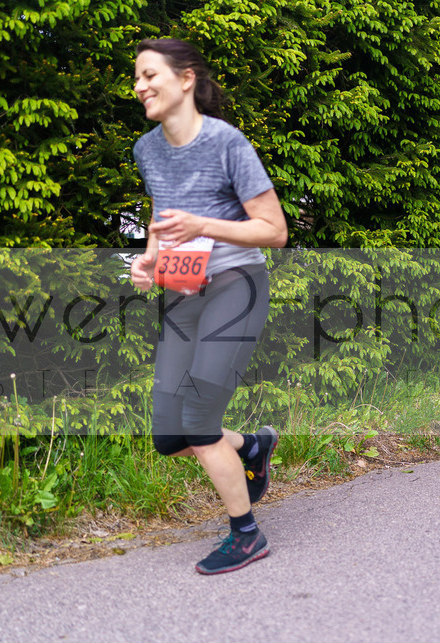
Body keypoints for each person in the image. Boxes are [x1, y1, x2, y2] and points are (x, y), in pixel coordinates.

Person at [129, 39, 287, 573]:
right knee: (169, 435)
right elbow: (162, 212)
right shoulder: (146, 149)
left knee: (198, 417)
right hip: (182, 286)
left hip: (235, 283)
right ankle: (250, 449)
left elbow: (274, 230)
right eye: (137, 78)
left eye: (151, 75)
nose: (141, 86)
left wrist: (203, 226)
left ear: (186, 78)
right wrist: (149, 259)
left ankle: (247, 535)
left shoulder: (226, 142)